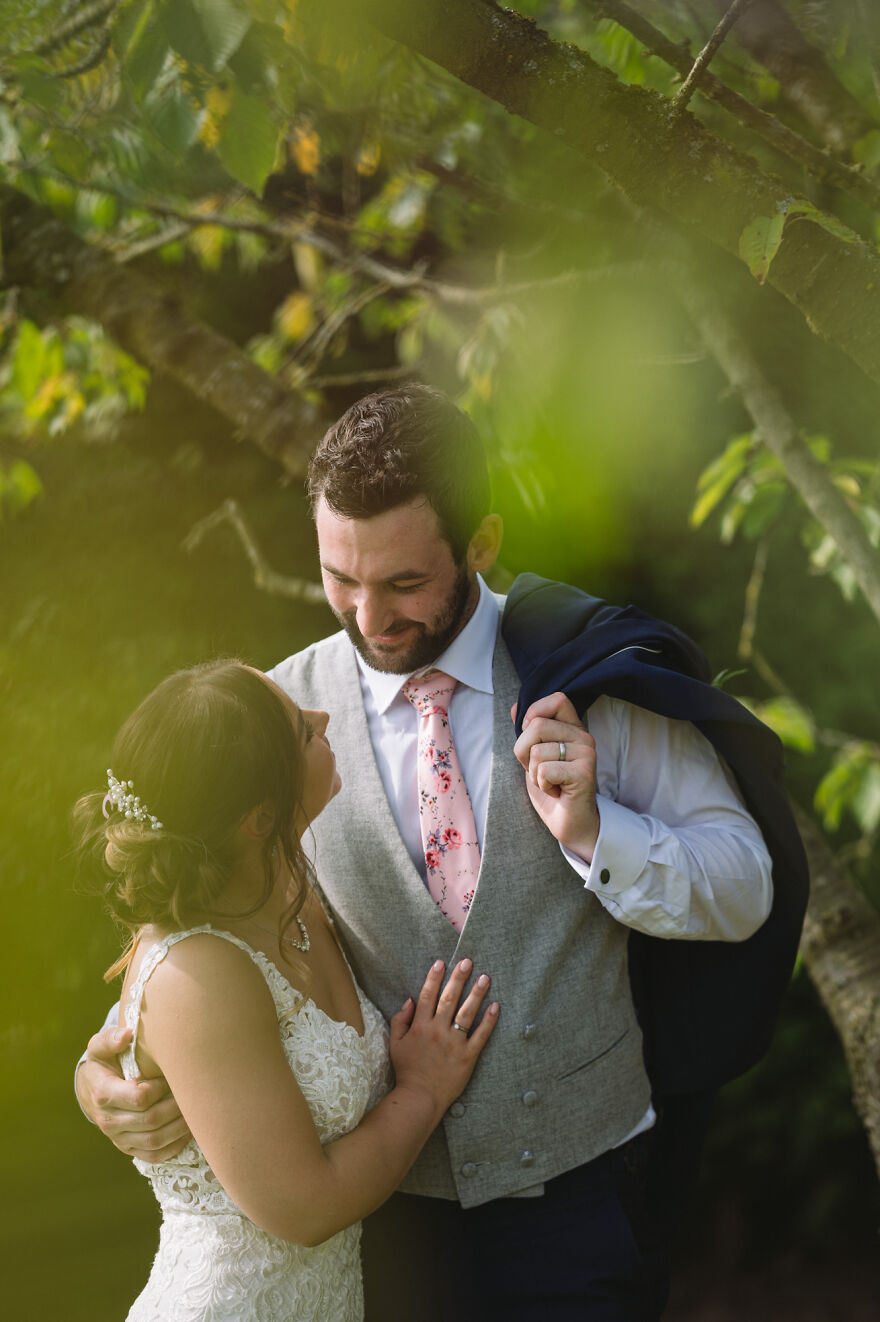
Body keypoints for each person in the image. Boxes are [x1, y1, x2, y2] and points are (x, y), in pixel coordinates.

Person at [77, 386, 777, 1321]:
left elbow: (745, 887)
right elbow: (185, 940)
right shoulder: (275, 730)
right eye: (340, 577)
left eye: (404, 583)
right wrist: (102, 1079)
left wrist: (596, 835)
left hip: (580, 1203)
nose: (368, 618)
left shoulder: (589, 675)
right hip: (384, 1240)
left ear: (480, 545)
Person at [73, 658, 498, 1321]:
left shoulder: (298, 900)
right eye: (301, 731)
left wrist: (89, 1074)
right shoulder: (199, 971)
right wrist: (422, 1090)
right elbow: (305, 1207)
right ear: (257, 819)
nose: (324, 717)